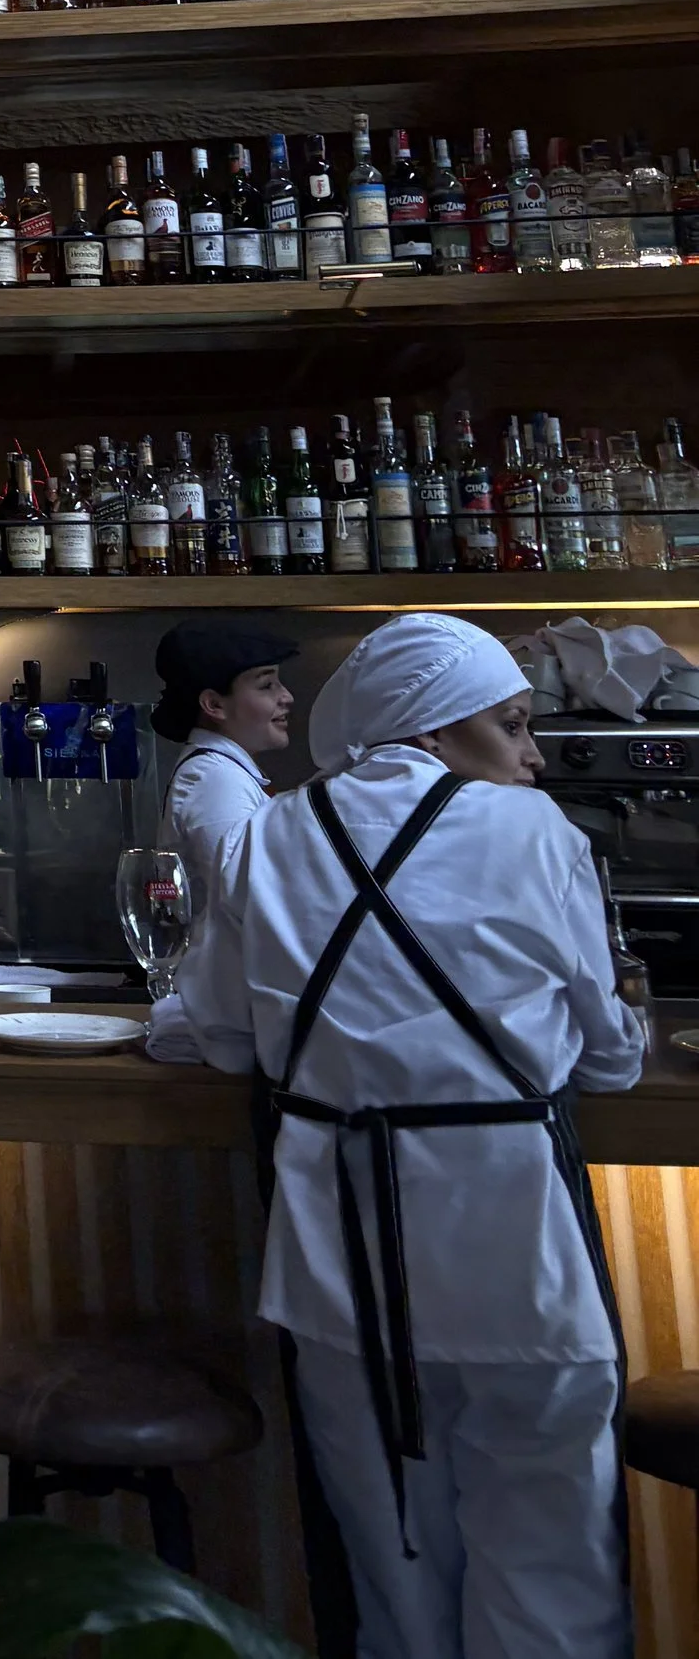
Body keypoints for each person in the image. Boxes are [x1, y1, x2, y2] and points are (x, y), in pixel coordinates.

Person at [179, 613, 648, 1659]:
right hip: (511, 1247)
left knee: (388, 1562)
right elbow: (609, 1059)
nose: (530, 756)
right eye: (513, 725)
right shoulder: (538, 834)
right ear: (435, 729)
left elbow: (217, 1038)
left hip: (337, 1253)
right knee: (551, 1560)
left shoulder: (268, 830)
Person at [144, 622, 297, 1063]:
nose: (286, 697)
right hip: (223, 1019)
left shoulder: (223, 774)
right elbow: (253, 899)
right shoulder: (216, 781)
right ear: (213, 704)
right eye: (267, 685)